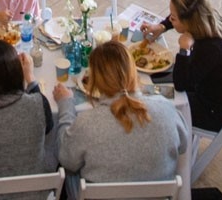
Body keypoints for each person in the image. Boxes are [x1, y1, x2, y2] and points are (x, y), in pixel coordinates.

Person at [57, 41, 187, 187]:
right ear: (133, 72)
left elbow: (66, 160)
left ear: (95, 82)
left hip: (100, 195)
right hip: (159, 195)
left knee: (69, 175)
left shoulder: (86, 123)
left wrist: (65, 105)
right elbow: (183, 145)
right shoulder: (166, 108)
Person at [0, 41, 66, 198]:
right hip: (34, 195)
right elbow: (48, 127)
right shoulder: (38, 104)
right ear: (17, 75)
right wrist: (31, 78)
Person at [139, 0, 222, 133]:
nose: (170, 19)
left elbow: (180, 83)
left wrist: (184, 51)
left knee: (153, 96)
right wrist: (162, 26)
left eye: (173, 18)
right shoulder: (210, 20)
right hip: (217, 93)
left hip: (217, 113)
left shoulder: (210, 50)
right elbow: (180, 15)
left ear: (188, 22)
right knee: (157, 82)